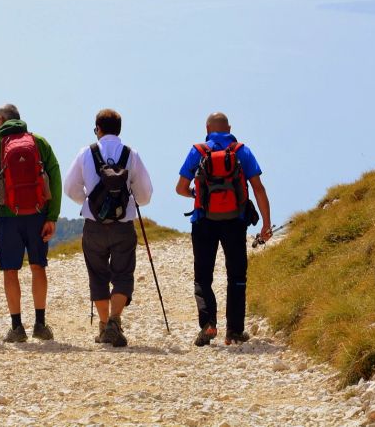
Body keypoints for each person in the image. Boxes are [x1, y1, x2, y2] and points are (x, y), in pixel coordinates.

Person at [176, 112, 272, 347]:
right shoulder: (242, 151)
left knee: (203, 277)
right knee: (237, 276)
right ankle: (234, 331)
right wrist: (266, 224)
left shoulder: (197, 151)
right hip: (235, 221)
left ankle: (208, 324)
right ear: (229, 127)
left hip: (203, 221)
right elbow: (258, 188)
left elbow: (180, 188)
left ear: (207, 128)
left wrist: (195, 194)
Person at [64, 109, 153, 347]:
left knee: (98, 274)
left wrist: (87, 201)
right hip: (123, 224)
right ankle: (114, 321)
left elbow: (70, 187)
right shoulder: (130, 154)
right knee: (123, 273)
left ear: (98, 129)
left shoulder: (86, 153)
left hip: (94, 225)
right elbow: (145, 193)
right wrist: (133, 201)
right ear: (119, 129)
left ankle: (105, 327)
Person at [0, 104, 63, 343]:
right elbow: (54, 177)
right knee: (37, 266)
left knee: (10, 270)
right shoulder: (39, 142)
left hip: (8, 217)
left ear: (2, 119)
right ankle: (41, 325)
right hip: (37, 214)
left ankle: (17, 328)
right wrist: (51, 216)